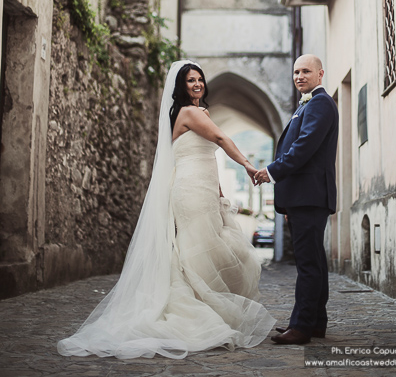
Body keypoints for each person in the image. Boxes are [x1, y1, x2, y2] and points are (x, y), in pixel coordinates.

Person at [58, 60, 275, 360]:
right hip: (190, 191)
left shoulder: (201, 112)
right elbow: (221, 139)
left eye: (200, 79)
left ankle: (209, 308)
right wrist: (249, 166)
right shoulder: (187, 112)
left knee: (210, 246)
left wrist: (219, 191)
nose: (197, 84)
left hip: (204, 189)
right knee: (199, 247)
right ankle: (195, 312)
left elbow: (206, 157)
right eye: (191, 80)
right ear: (181, 87)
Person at [255, 54, 338, 345]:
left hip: (310, 196)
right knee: (314, 262)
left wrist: (271, 171)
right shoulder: (308, 104)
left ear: (320, 74)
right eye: (296, 72)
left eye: (306, 71)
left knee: (308, 265)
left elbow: (303, 147)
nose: (299, 76)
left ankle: (301, 327)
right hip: (303, 197)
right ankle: (315, 323)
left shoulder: (320, 103)